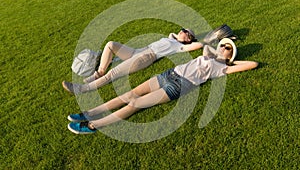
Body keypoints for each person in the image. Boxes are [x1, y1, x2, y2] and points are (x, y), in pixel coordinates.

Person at [67, 38, 258, 134]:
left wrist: (231, 62)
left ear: (230, 57)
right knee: (130, 93)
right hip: (169, 73)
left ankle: (93, 125)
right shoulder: (210, 55)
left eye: (227, 49)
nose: (223, 48)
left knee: (135, 104)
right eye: (224, 46)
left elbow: (253, 65)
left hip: (179, 85)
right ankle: (90, 112)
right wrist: (218, 52)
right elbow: (206, 48)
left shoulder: (221, 68)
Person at [62, 28, 203, 94]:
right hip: (138, 51)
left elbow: (198, 45)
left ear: (189, 39)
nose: (182, 32)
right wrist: (176, 36)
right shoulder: (171, 39)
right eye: (183, 30)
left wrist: (203, 41)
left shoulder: (178, 46)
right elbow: (172, 34)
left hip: (146, 57)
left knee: (113, 73)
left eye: (186, 33)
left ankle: (81, 89)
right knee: (111, 45)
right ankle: (98, 73)